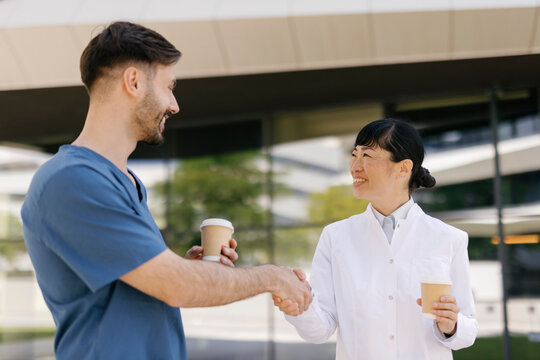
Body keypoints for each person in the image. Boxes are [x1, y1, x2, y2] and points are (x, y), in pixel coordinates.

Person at [21, 21, 311, 360]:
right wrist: (270, 276)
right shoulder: (72, 180)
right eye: (168, 86)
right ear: (133, 81)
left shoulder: (124, 182)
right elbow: (177, 287)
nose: (174, 105)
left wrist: (194, 269)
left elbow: (153, 286)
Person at [273, 119, 478, 359]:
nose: (355, 167)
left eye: (368, 156)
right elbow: (320, 330)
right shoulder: (335, 237)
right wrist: (300, 307)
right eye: (354, 155)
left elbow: (469, 329)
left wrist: (452, 325)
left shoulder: (448, 239)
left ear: (403, 168)